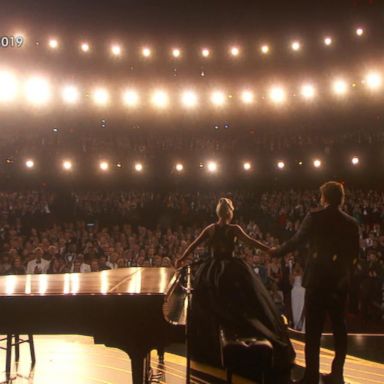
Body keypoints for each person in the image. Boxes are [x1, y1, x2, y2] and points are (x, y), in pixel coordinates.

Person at [175, 197, 295, 382]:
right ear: (230, 212)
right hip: (232, 270)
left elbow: (194, 245)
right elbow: (251, 242)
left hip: (212, 270)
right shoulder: (234, 229)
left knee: (210, 307)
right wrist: (269, 249)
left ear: (218, 212)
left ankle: (212, 347)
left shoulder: (210, 228)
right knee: (242, 304)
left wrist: (182, 258)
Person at [271, 182, 360, 384]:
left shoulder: (315, 217)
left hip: (317, 281)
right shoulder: (351, 223)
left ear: (324, 198)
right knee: (339, 328)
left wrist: (276, 252)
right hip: (339, 283)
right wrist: (344, 277)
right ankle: (337, 374)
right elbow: (354, 255)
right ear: (341, 198)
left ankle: (311, 375)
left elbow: (296, 241)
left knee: (313, 331)